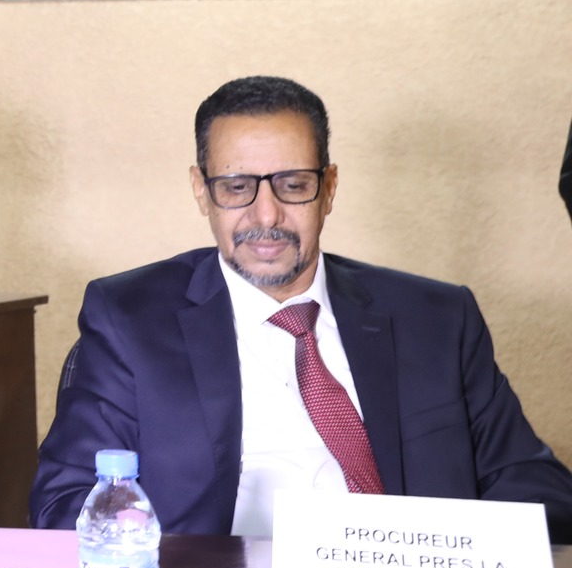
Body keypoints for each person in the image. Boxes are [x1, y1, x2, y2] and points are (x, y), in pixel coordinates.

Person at [32, 75, 572, 542]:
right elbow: (66, 505)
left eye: (293, 186)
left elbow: (534, 487)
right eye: (236, 187)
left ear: (329, 188)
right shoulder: (130, 320)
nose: (266, 215)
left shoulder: (436, 319)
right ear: (201, 191)